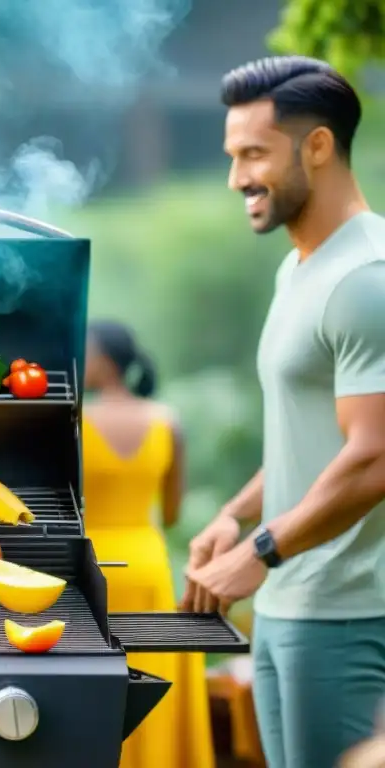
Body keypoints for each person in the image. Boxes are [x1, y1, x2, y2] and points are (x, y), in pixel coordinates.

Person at [182, 55, 385, 768]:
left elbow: (374, 457)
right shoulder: (299, 267)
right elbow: (314, 441)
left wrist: (259, 551)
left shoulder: (367, 278)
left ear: (318, 146)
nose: (238, 177)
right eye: (233, 155)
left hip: (349, 612)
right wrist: (235, 515)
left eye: (254, 154)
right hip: (288, 602)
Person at [82, 320, 215, 768]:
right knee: (153, 679)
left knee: (98, 685)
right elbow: (173, 513)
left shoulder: (76, 419)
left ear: (102, 360)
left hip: (95, 566)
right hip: (148, 560)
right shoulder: (166, 419)